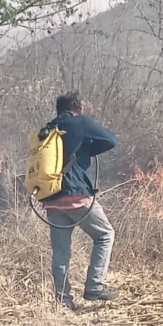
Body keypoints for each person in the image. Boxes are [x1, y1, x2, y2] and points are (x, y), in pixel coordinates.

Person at [41, 92, 119, 311]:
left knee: (61, 252)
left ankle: (63, 301)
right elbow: (111, 140)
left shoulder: (50, 128)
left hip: (51, 198)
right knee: (105, 235)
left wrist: (84, 148)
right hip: (76, 195)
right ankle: (94, 286)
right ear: (78, 108)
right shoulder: (79, 122)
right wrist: (90, 147)